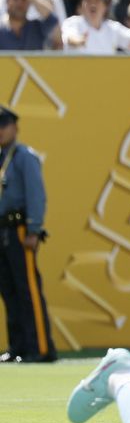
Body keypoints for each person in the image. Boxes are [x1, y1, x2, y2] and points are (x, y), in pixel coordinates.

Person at [0, 106, 54, 364]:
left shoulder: (24, 157)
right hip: (2, 231)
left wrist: (33, 228)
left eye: (4, 125)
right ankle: (18, 346)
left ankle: (40, 347)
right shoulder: (1, 157)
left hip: (20, 230)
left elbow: (35, 194)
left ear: (15, 127)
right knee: (8, 290)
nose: (0, 131)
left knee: (27, 290)